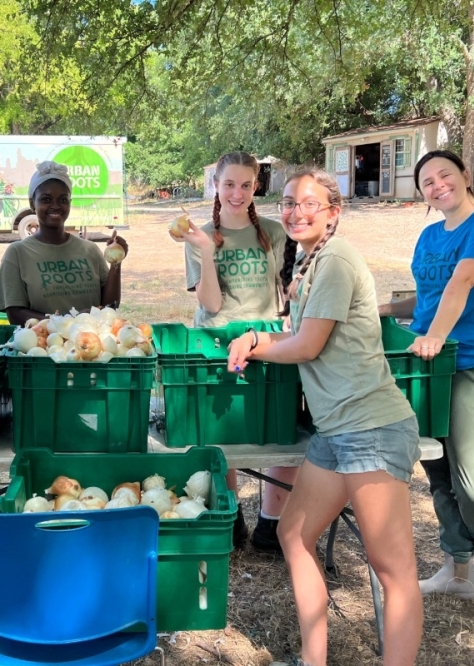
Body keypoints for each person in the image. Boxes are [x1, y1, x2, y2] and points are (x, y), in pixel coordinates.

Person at [227, 167, 423, 666]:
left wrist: (260, 346)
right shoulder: (310, 263)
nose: (295, 211)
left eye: (309, 203)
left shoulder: (337, 259)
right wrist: (253, 339)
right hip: (335, 430)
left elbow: (308, 345)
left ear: (333, 214)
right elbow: (298, 337)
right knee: (293, 533)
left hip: (372, 426)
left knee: (392, 567)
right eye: (289, 202)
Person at [380, 149, 474, 598]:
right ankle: (458, 573)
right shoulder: (429, 235)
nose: (438, 185)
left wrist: (436, 336)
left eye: (445, 175)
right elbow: (426, 299)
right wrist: (376, 310)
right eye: (427, 183)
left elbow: (461, 283)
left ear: (464, 174)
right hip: (426, 366)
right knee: (438, 472)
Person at [171, 151, 293, 552]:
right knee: (225, 435)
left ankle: (270, 525)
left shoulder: (274, 232)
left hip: (269, 340)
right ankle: (231, 516)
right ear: (215, 186)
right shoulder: (200, 236)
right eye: (228, 185)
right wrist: (206, 250)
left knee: (282, 433)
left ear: (256, 186)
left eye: (245, 185)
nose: (237, 193)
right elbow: (212, 305)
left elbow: (289, 290)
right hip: (218, 341)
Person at [0, 161, 127, 324]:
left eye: (63, 200)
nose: (55, 206)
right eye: (46, 199)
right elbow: (15, 315)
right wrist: (68, 321)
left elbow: (109, 306)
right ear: (32, 203)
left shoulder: (90, 250)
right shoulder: (17, 253)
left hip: (91, 345)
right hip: (43, 347)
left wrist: (116, 262)